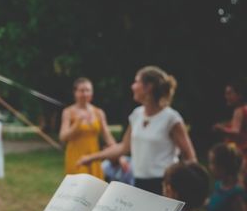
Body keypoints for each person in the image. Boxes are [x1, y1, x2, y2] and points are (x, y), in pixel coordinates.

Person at [78, 66, 197, 194]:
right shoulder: (136, 115)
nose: (132, 86)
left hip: (164, 185)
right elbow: (123, 147)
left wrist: (187, 188)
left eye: (136, 82)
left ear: (148, 87)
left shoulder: (171, 118)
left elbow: (190, 157)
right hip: (139, 182)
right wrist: (92, 157)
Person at [59, 77, 115, 179]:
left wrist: (118, 155)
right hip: (76, 158)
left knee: (96, 190)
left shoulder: (98, 112)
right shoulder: (68, 112)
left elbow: (107, 136)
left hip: (94, 158)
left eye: (88, 90)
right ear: (75, 92)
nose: (85, 94)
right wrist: (77, 124)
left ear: (92, 92)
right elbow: (63, 137)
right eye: (81, 90)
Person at [213, 80, 247, 182]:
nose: (226, 96)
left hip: (240, 154)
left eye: (229, 93)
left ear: (239, 95)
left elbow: (236, 131)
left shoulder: (239, 110)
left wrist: (220, 129)